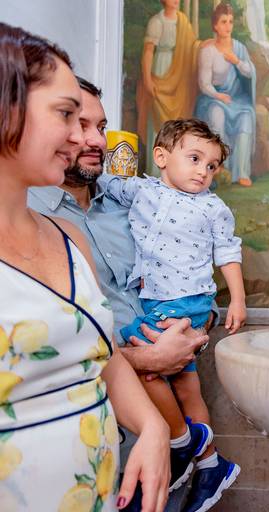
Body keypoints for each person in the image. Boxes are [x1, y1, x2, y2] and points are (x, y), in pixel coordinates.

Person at [0, 22, 169, 511]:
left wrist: (153, 426)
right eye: (65, 114)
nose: (81, 138)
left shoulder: (68, 238)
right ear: (7, 107)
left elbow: (100, 351)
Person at [27, 77, 214, 512]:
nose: (95, 140)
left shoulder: (137, 204)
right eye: (78, 123)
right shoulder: (25, 218)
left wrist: (193, 332)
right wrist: (143, 359)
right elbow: (37, 344)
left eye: (101, 126)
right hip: (90, 442)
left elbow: (192, 281)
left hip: (174, 440)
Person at [98, 118, 244, 511]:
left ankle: (181, 444)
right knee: (186, 385)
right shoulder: (142, 191)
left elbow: (227, 252)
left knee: (140, 356)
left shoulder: (212, 207)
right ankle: (211, 463)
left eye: (211, 166)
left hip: (186, 302)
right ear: (161, 157)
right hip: (157, 299)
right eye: (195, 159)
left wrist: (239, 300)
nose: (203, 171)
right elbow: (107, 180)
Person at [194, 2, 257, 187]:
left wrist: (236, 61)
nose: (228, 26)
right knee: (216, 115)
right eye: (223, 22)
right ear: (215, 25)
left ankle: (241, 172)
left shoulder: (239, 48)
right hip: (213, 98)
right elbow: (204, 84)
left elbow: (250, 73)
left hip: (237, 100)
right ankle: (219, 167)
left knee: (246, 118)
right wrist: (219, 97)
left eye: (230, 21)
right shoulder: (208, 51)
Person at [138, 0, 199, 175]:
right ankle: (155, 172)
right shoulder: (157, 22)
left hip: (180, 77)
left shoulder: (183, 21)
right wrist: (148, 79)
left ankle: (174, 173)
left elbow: (192, 47)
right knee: (159, 123)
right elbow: (148, 51)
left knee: (178, 127)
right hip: (161, 68)